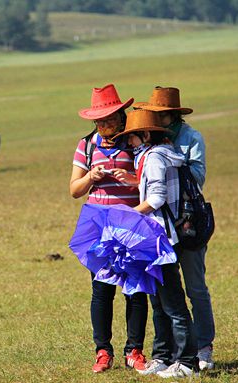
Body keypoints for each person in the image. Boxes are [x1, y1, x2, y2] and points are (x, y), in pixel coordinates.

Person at [132, 86, 215, 370]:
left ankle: (203, 349)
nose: (156, 118)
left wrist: (166, 161)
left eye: (160, 114)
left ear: (172, 114)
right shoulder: (151, 146)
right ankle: (167, 354)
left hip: (186, 221)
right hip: (162, 226)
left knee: (195, 289)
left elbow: (197, 177)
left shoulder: (190, 138)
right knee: (164, 294)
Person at [69, 84, 148, 373]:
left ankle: (135, 351)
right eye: (100, 121)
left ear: (122, 115)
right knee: (102, 290)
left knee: (136, 289)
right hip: (99, 228)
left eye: (111, 119)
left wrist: (132, 178)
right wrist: (91, 176)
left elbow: (153, 181)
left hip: (133, 226)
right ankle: (103, 352)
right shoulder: (86, 145)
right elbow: (74, 190)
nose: (105, 125)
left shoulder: (138, 143)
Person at [119, 108, 199, 378]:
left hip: (160, 238)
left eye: (132, 137)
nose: (129, 143)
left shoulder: (154, 158)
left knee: (172, 303)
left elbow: (156, 199)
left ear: (144, 135)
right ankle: (163, 357)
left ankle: (187, 361)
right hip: (158, 237)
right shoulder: (159, 155)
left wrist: (127, 216)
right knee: (159, 301)